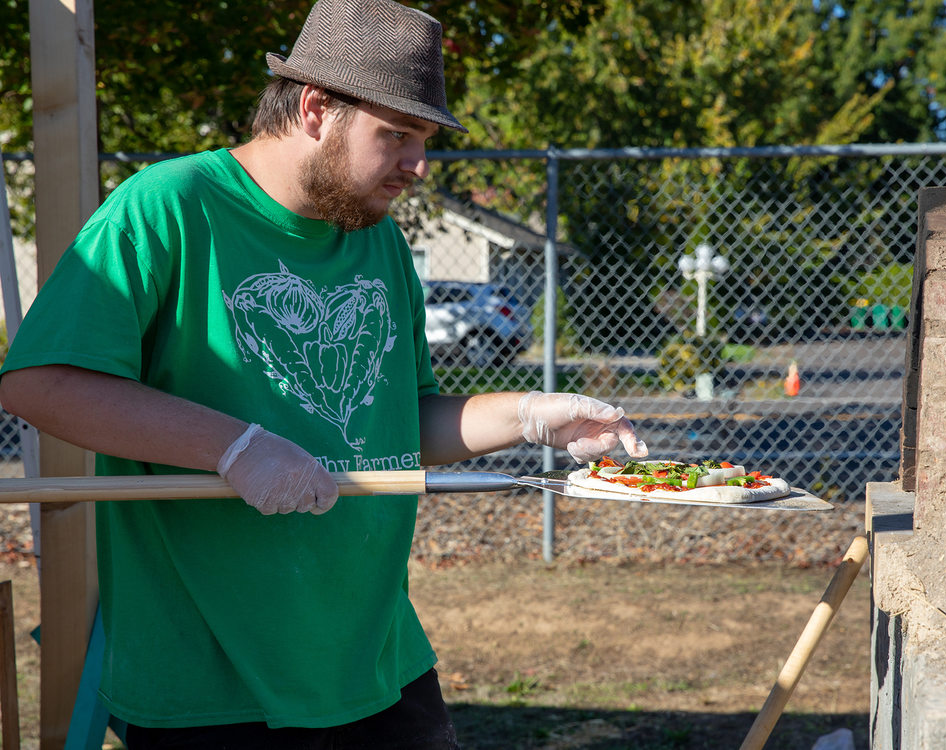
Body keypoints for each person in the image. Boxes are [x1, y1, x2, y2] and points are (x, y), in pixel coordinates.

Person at [0, 0, 648, 747]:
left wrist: (532, 416)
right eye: (397, 135)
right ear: (315, 108)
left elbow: (402, 424)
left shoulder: (377, 241)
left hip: (376, 656)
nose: (417, 165)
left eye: (425, 140)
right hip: (213, 678)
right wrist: (234, 447)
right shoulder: (167, 208)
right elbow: (41, 382)